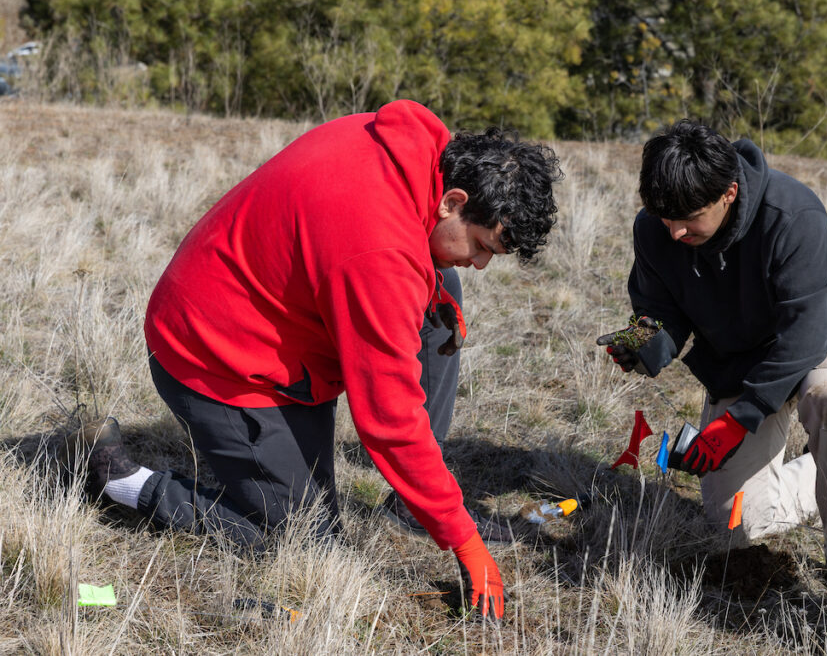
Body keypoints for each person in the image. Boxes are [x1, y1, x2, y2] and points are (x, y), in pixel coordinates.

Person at [63, 99, 562, 620]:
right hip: (216, 358)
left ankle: (413, 502)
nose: (481, 263)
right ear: (452, 200)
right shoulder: (378, 255)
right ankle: (122, 481)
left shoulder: (421, 149)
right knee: (303, 538)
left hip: (267, 316)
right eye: (482, 245)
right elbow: (389, 419)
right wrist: (463, 538)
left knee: (441, 278)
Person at [599, 119, 827, 581]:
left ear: (728, 192)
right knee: (737, 523)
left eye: (688, 221)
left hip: (826, 329)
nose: (675, 235)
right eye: (666, 219)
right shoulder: (655, 229)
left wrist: (738, 418)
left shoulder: (793, 215)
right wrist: (645, 344)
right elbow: (661, 312)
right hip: (739, 353)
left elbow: (805, 333)